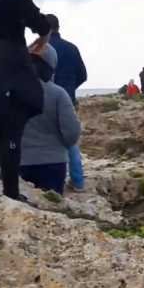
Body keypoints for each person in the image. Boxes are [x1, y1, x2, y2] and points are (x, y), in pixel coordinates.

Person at [0, 0, 51, 201]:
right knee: (11, 131)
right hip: (9, 66)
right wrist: (43, 40)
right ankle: (11, 193)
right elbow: (41, 23)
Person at [20, 44, 81, 195]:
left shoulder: (11, 91)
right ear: (51, 66)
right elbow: (72, 134)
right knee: (50, 211)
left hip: (17, 163)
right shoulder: (58, 94)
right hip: (52, 164)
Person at [45, 14, 87, 192]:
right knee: (71, 141)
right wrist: (69, 89)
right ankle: (77, 182)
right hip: (67, 99)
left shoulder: (39, 49)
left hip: (42, 99)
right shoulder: (72, 48)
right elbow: (83, 75)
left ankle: (46, 183)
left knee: (41, 138)